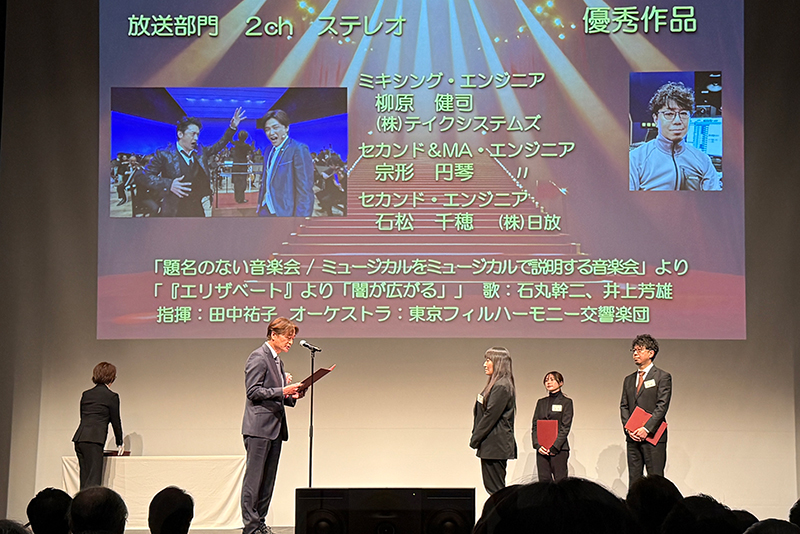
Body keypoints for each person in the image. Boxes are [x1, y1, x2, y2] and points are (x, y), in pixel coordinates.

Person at [241, 317, 306, 534]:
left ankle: (260, 522)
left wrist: (292, 395)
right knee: (254, 481)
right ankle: (250, 527)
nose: (290, 342)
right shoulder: (258, 357)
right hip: (258, 429)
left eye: (292, 338)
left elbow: (274, 395)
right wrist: (283, 390)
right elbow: (253, 391)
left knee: (267, 481)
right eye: (288, 337)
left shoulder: (278, 361)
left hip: (275, 428)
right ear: (273, 335)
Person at [143, 107, 246, 217]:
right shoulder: (164, 154)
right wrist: (169, 184)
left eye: (197, 134)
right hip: (174, 209)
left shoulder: (200, 151)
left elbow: (219, 145)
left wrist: (232, 128)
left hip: (197, 207)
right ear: (180, 134)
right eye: (192, 134)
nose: (196, 138)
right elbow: (144, 175)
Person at [629, 81, 722, 191]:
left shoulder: (703, 160)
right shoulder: (635, 159)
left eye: (683, 113)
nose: (678, 121)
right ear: (656, 119)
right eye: (669, 114)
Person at [620, 334, 672, 487]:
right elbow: (624, 406)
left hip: (653, 435)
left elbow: (662, 406)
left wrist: (646, 429)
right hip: (632, 437)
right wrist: (629, 429)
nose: (635, 354)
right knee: (634, 480)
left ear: (651, 353)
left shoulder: (662, 377)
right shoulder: (629, 379)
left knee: (655, 480)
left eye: (639, 350)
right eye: (634, 350)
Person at [470, 347, 517, 495]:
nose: (485, 364)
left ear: (499, 363)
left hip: (495, 445)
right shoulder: (497, 384)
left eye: (488, 360)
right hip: (491, 445)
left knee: (496, 490)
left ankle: (504, 511)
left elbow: (490, 415)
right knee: (493, 489)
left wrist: (475, 438)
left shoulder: (501, 386)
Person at [72, 362, 124, 489]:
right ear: (111, 378)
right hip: (94, 440)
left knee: (85, 481)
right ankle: (91, 502)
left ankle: (82, 501)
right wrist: (119, 442)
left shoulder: (86, 394)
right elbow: (116, 421)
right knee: (94, 482)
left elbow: (83, 417)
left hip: (80, 438)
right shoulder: (112, 397)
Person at [256, 110, 314, 217]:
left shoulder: (298, 149)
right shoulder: (268, 150)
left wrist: (300, 221)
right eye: (267, 129)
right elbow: (266, 180)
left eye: (275, 127)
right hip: (265, 208)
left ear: (286, 128)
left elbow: (305, 191)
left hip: (284, 212)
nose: (271, 133)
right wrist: (260, 203)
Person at [531, 371, 573, 482]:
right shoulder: (541, 402)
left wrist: (555, 447)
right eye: (546, 380)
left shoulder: (566, 402)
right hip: (542, 449)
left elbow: (565, 426)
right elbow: (535, 425)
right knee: (544, 482)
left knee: (560, 482)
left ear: (561, 383)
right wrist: (537, 445)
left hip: (559, 449)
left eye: (552, 379)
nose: (548, 382)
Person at [230, 130, 254, 203]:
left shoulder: (236, 143)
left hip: (236, 165)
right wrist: (253, 144)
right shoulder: (246, 146)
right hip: (242, 166)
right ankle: (241, 198)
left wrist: (231, 132)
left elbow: (230, 140)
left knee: (237, 183)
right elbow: (252, 150)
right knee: (242, 183)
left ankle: (237, 198)